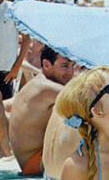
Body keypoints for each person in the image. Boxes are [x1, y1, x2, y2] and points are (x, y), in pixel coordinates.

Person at [9, 46, 75, 176]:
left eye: (73, 66)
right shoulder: (45, 88)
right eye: (65, 66)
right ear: (46, 65)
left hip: (35, 160)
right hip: (35, 164)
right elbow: (86, 101)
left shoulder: (39, 83)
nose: (70, 72)